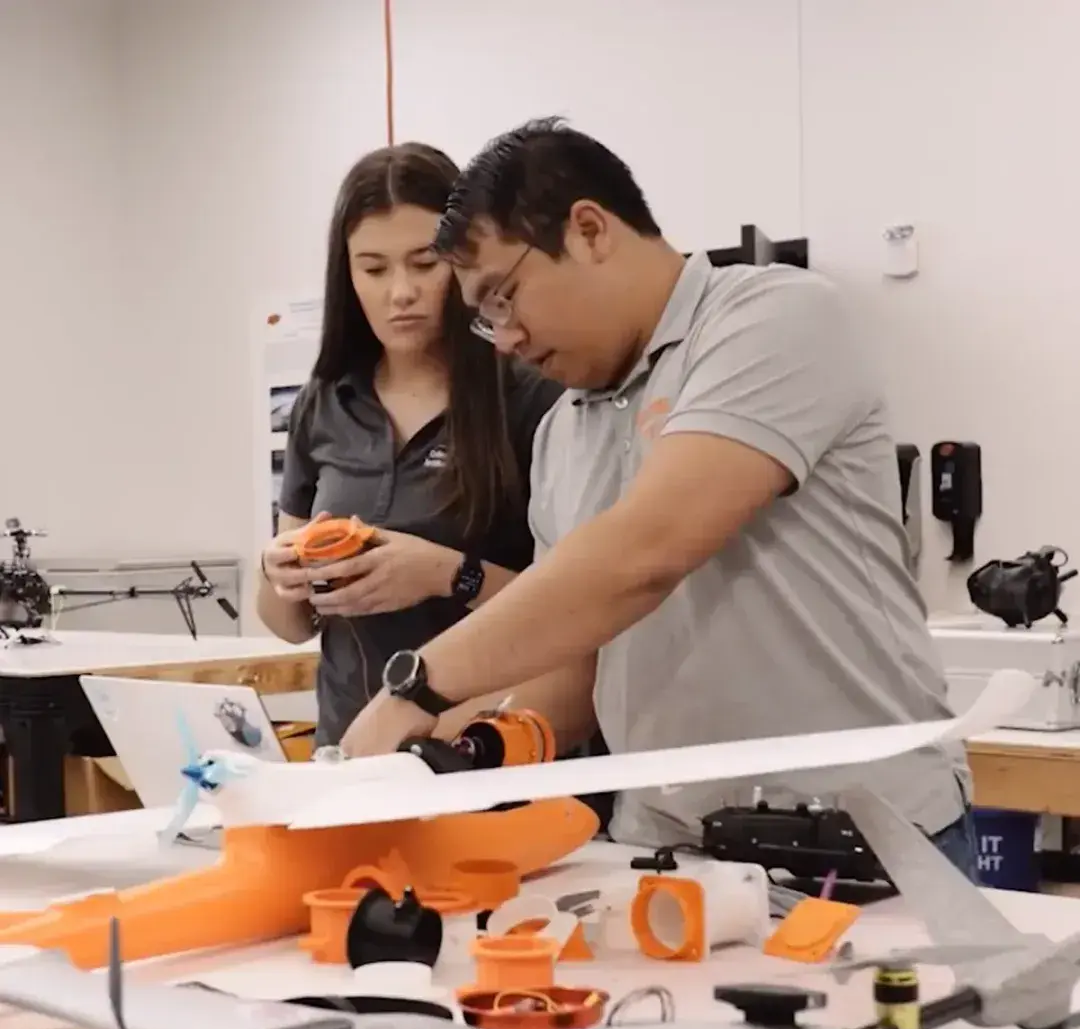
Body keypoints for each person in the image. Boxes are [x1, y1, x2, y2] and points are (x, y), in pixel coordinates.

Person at [332, 119, 980, 880]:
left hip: (864, 842)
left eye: (503, 298)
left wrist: (412, 689)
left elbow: (645, 553)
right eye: (485, 317)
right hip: (671, 849)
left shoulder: (773, 318)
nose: (503, 340)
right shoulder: (561, 434)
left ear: (588, 229)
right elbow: (579, 668)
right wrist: (440, 749)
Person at [256, 142, 563, 749]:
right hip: (350, 751)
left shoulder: (531, 395)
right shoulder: (323, 405)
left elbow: (579, 613)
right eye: (373, 269)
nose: (400, 292)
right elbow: (288, 626)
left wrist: (449, 575)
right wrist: (279, 572)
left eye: (424, 264)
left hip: (482, 748)